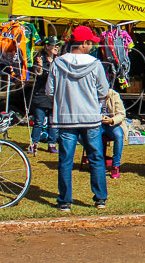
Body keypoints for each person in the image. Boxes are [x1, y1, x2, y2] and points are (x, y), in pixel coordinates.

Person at [46, 26, 110, 212]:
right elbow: (104, 91)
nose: (92, 46)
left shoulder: (57, 63)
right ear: (83, 43)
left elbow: (49, 91)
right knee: (96, 158)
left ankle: (64, 201)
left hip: (65, 118)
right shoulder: (95, 64)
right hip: (90, 118)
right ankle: (100, 198)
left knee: (65, 159)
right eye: (90, 43)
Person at [29, 36, 60, 154]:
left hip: (54, 96)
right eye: (54, 44)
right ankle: (34, 144)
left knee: (53, 122)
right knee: (39, 121)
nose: (57, 47)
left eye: (58, 45)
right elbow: (38, 75)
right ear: (47, 46)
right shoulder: (39, 59)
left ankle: (52, 144)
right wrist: (41, 67)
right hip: (40, 95)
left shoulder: (59, 61)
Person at [102, 87, 128, 180]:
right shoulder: (91, 93)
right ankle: (96, 161)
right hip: (96, 123)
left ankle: (115, 166)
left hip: (111, 124)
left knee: (118, 135)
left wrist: (111, 120)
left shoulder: (114, 95)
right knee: (84, 135)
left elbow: (121, 114)